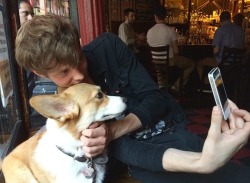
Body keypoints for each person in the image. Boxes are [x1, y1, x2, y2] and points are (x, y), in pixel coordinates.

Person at [15, 14, 250, 183]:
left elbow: (155, 98)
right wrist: (202, 163)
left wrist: (112, 130)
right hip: (143, 159)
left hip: (169, 127)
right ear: (41, 73)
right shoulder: (69, 112)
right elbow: (125, 150)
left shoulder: (108, 46)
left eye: (78, 59)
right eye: (64, 72)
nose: (77, 74)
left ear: (78, 45)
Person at [147, 6, 195, 91]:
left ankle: (162, 85)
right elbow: (176, 51)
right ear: (165, 16)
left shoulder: (149, 31)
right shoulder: (170, 30)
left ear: (155, 16)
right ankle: (176, 86)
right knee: (191, 64)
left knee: (160, 65)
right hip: (169, 62)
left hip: (155, 63)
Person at [196, 11, 245, 81]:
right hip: (237, 64)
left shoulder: (220, 30)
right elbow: (243, 46)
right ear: (230, 18)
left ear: (220, 20)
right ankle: (219, 84)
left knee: (199, 64)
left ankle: (210, 86)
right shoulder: (240, 30)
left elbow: (215, 50)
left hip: (223, 63)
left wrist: (215, 56)